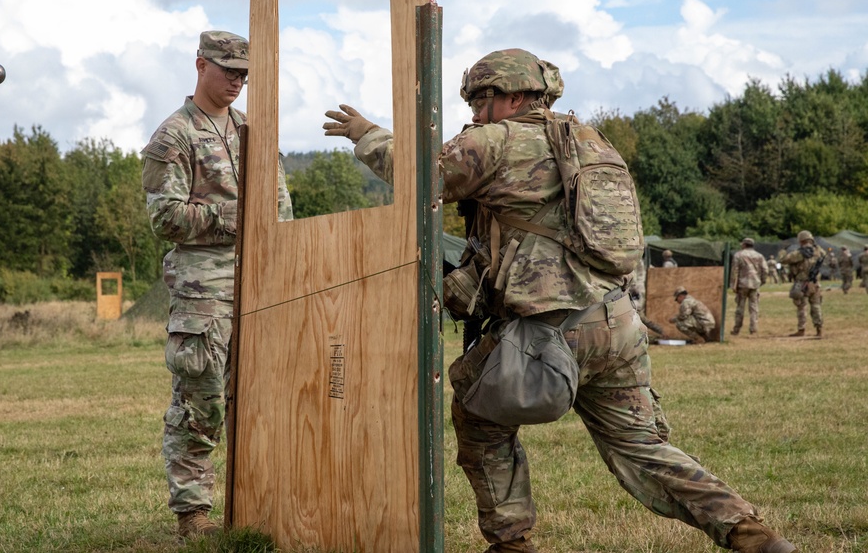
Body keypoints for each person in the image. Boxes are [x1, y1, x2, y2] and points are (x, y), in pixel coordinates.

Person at [322, 48, 796, 553]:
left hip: (548, 333)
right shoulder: (589, 143)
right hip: (616, 323)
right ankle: (750, 533)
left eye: (482, 101)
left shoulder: (499, 141)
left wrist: (367, 134)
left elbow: (423, 178)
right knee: (642, 449)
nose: (474, 114)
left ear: (516, 97)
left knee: (479, 420)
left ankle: (511, 544)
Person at [141, 30, 294, 539]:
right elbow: (165, 217)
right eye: (228, 69)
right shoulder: (174, 135)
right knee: (200, 401)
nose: (236, 80)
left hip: (260, 281)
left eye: (243, 73)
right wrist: (237, 216)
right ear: (200, 64)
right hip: (203, 289)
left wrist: (284, 250)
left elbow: (280, 202)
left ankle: (260, 501)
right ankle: (194, 515)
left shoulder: (253, 128)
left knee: (261, 397)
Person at [780, 230, 825, 338]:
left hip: (802, 283)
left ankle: (801, 329)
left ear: (801, 240)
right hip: (815, 283)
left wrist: (783, 250)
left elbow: (784, 260)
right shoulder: (819, 251)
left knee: (801, 306)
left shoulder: (800, 253)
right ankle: (819, 330)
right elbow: (824, 255)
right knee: (816, 306)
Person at [730, 238, 768, 335]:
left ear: (744, 245)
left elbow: (735, 271)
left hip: (742, 284)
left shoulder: (738, 255)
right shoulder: (759, 255)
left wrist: (733, 285)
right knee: (754, 308)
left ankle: (736, 329)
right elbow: (765, 270)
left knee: (740, 308)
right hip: (755, 284)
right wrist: (762, 281)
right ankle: (753, 329)